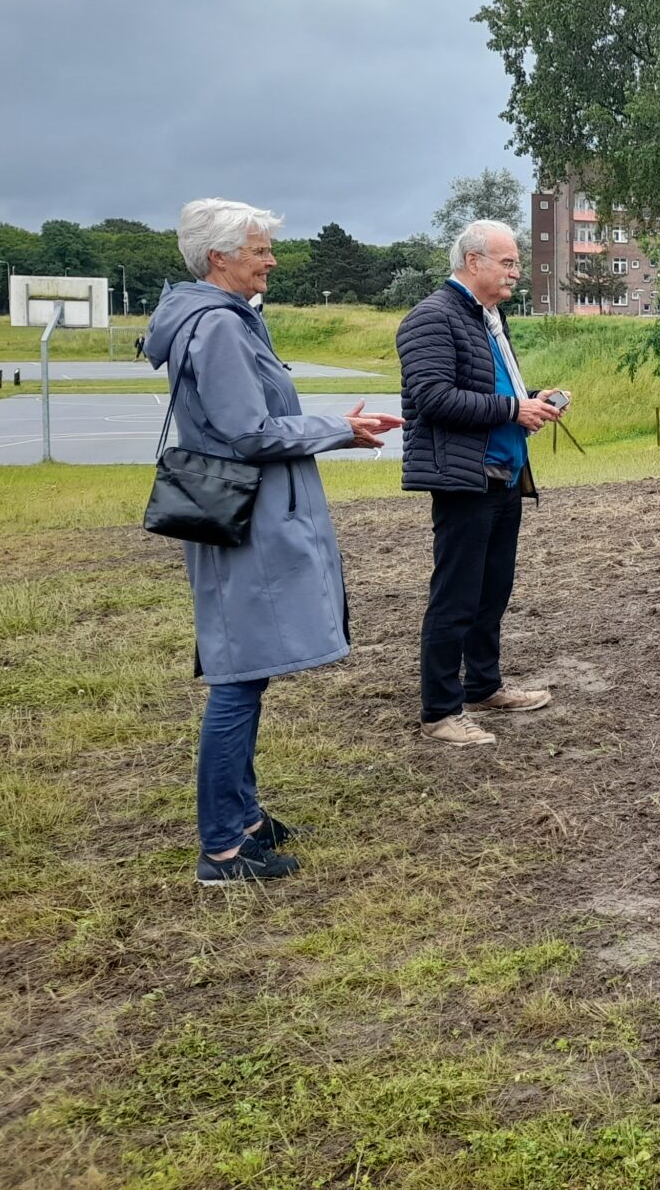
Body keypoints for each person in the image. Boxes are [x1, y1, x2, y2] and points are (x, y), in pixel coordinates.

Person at [144, 198, 401, 884]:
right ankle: (224, 848)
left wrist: (326, 424)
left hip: (244, 514)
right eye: (259, 249)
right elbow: (248, 432)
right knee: (238, 675)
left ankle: (246, 816)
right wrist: (338, 430)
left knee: (246, 669)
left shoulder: (217, 319)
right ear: (219, 258)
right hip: (245, 520)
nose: (271, 259)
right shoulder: (219, 328)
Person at [398, 220, 564, 745]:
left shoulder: (490, 316)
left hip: (505, 476)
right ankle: (440, 711)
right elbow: (434, 399)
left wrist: (534, 397)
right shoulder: (431, 318)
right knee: (456, 597)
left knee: (492, 592)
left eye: (516, 262)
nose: (517, 272)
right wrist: (516, 407)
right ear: (474, 262)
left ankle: (483, 685)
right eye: (508, 262)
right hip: (464, 479)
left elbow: (490, 390)